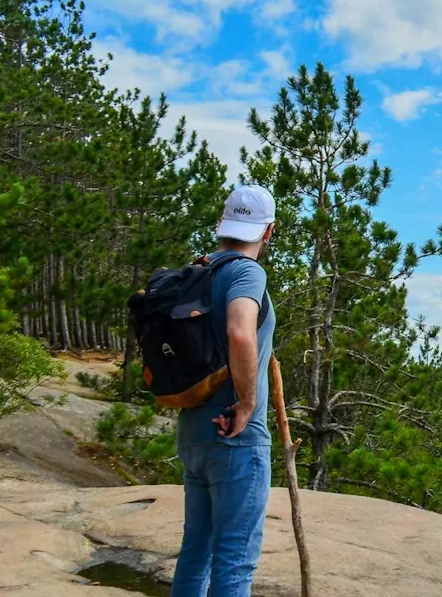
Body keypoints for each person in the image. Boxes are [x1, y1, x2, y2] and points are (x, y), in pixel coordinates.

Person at [172, 186, 277, 597]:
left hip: (195, 431)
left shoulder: (198, 270)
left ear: (222, 223)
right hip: (235, 435)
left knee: (196, 554)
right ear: (269, 231)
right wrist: (248, 403)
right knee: (235, 562)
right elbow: (239, 332)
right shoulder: (246, 273)